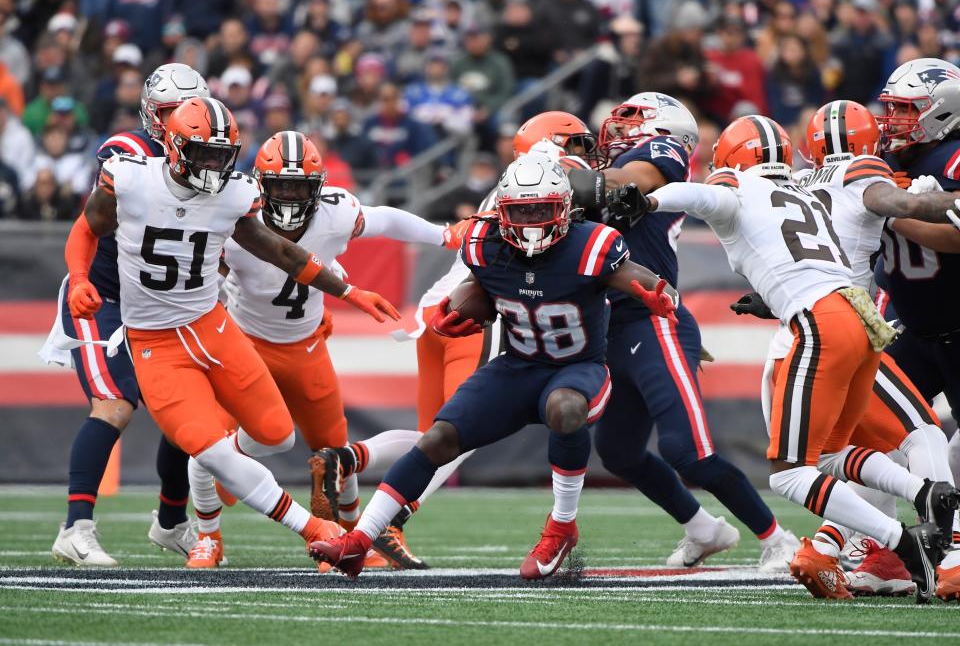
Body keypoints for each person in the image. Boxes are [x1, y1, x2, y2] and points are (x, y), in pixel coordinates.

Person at [309, 152, 680, 580]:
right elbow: (476, 289)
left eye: (541, 210)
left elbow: (648, 281)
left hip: (578, 368)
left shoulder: (590, 245)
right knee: (439, 438)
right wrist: (459, 309)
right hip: (518, 367)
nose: (530, 222)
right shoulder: (485, 245)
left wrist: (661, 295)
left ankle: (561, 526)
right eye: (520, 212)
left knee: (564, 409)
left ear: (564, 210)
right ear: (501, 212)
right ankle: (359, 542)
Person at [63, 96, 398, 570]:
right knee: (211, 451)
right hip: (156, 342)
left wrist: (348, 291)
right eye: (204, 153)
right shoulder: (131, 178)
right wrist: (79, 278)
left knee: (278, 434)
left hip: (212, 328)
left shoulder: (234, 193)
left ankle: (207, 499)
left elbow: (281, 252)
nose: (214, 164)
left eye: (223, 155)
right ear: (175, 146)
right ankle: (312, 529)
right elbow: (85, 229)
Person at [643, 114, 956, 604]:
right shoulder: (821, 184)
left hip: (811, 328)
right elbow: (881, 222)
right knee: (858, 450)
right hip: (854, 317)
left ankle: (911, 543)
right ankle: (892, 526)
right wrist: (936, 200)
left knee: (797, 469)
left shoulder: (756, 186)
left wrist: (650, 199)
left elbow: (704, 196)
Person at [183, 130, 465, 568]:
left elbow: (385, 219)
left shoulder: (335, 214)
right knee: (208, 445)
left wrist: (443, 235)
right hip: (243, 344)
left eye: (300, 186)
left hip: (304, 346)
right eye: (282, 185)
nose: (292, 196)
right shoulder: (235, 214)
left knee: (335, 453)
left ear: (319, 188)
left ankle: (354, 541)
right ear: (261, 184)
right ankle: (207, 536)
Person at [744, 100, 960, 598]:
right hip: (838, 334)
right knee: (922, 435)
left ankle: (827, 548)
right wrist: (925, 200)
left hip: (792, 344)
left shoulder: (793, 187)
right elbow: (902, 209)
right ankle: (944, 554)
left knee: (838, 455)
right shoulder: (866, 173)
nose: (893, 123)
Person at [573, 93, 797, 571]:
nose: (617, 127)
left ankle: (778, 538)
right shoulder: (597, 176)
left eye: (631, 117)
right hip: (609, 326)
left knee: (687, 451)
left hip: (653, 319)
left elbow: (629, 183)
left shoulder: (659, 154)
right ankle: (704, 530)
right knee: (617, 452)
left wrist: (558, 174)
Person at [46, 64, 212, 568]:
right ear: (150, 112)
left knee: (189, 413)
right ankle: (75, 527)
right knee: (114, 405)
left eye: (183, 113)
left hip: (161, 306)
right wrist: (78, 283)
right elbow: (99, 223)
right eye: (165, 113)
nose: (173, 122)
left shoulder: (208, 161)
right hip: (103, 297)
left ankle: (170, 520)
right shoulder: (128, 152)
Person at [874, 58, 960, 600]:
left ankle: (954, 553)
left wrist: (887, 212)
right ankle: (882, 550)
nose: (895, 120)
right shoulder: (880, 158)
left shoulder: (953, 158)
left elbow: (955, 239)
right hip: (912, 324)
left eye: (907, 109)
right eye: (892, 108)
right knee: (872, 428)